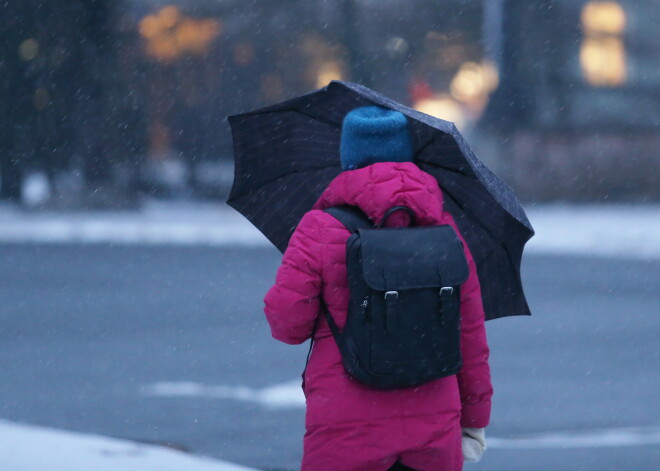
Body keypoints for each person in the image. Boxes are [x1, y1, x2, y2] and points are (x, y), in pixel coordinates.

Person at [264, 106, 492, 471]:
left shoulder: (319, 229)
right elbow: (470, 335)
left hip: (345, 424)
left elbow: (287, 326)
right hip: (434, 420)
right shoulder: (447, 233)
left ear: (347, 156)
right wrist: (475, 418)